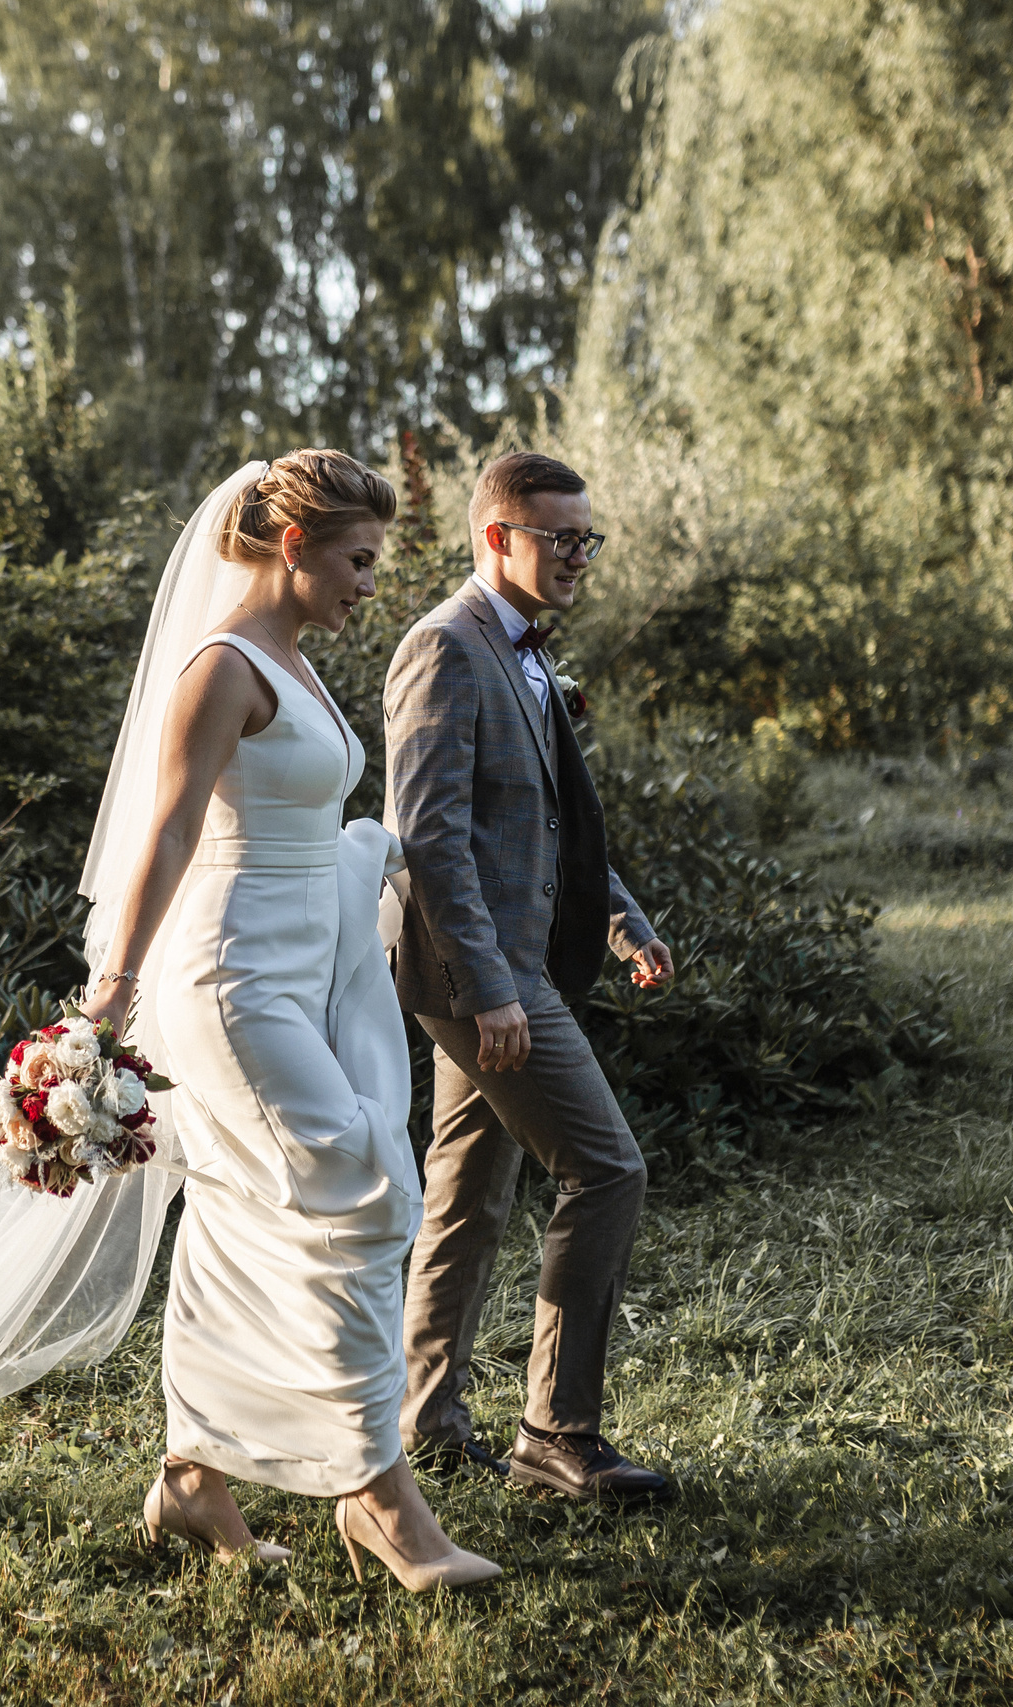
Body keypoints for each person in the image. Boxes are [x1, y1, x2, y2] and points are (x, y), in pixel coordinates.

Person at [0, 451, 499, 1594]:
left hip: (313, 971)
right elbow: (169, 832)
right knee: (356, 1190)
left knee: (246, 1213)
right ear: (293, 546)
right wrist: (112, 993)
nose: (368, 583)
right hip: (234, 983)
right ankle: (380, 1500)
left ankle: (192, 1479)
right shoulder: (221, 667)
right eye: (356, 560)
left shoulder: (294, 661)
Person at [385, 450, 678, 1503]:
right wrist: (491, 989)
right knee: (606, 1170)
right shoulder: (445, 647)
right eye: (560, 537)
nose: (578, 555)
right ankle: (557, 1434)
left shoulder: (522, 652)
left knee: (468, 1190)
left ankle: (424, 1423)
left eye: (585, 537)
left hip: (503, 963)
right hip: (478, 972)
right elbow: (429, 840)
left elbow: (545, 825)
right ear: (495, 537)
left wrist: (622, 922)